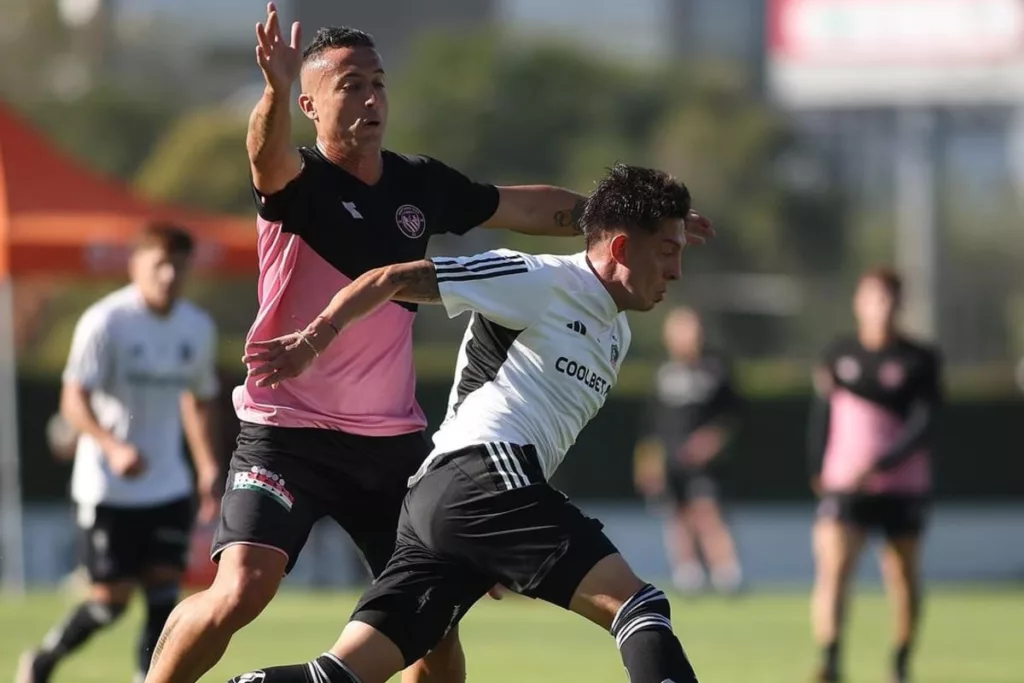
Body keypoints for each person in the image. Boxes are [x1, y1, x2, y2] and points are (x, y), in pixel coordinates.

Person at [143, 6, 716, 683]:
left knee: (433, 637)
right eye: (351, 84)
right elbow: (262, 155)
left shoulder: (419, 185)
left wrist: (637, 222)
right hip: (286, 428)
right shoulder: (297, 182)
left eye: (379, 83)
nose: (371, 97)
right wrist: (270, 90)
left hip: (390, 440)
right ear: (309, 103)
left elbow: (524, 207)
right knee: (243, 587)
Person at [231, 163, 702, 683]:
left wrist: (495, 541)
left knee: (338, 675)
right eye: (667, 252)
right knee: (639, 606)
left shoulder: (617, 334)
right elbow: (391, 278)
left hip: (446, 503)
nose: (677, 272)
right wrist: (315, 337)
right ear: (619, 250)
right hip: (482, 473)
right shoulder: (540, 280)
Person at [17, 224, 222, 683]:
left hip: (168, 484)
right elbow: (73, 399)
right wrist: (112, 445)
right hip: (107, 486)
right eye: (159, 265)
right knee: (110, 601)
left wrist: (208, 466)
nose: (168, 275)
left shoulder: (197, 327)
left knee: (164, 593)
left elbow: (199, 398)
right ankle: (42, 661)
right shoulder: (105, 322)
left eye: (178, 267)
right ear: (136, 267)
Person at [807, 268, 943, 683]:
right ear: (858, 302)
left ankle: (900, 660)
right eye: (872, 298)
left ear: (899, 306)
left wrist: (881, 464)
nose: (880, 308)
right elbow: (823, 411)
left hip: (901, 487)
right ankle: (829, 659)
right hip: (845, 485)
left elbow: (926, 424)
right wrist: (817, 466)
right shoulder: (839, 354)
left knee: (902, 576)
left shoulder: (920, 360)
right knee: (834, 567)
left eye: (888, 299)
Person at [633, 306, 743, 594]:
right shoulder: (663, 372)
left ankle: (727, 573)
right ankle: (688, 572)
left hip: (705, 462)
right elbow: (650, 425)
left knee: (708, 511)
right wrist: (647, 462)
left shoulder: (716, 368)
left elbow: (733, 414)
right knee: (677, 515)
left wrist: (713, 440)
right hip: (671, 459)